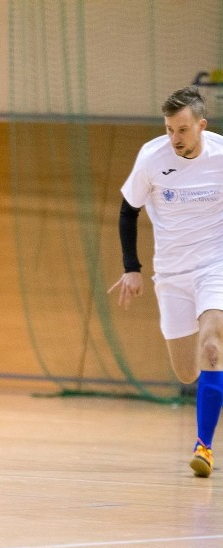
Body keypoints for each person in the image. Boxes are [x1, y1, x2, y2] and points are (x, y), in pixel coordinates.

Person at [109, 85, 223, 477]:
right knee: (187, 372)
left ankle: (203, 447)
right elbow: (128, 212)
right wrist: (131, 267)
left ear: (201, 126)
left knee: (212, 347)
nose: (175, 138)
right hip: (172, 274)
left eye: (183, 130)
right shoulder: (152, 158)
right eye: (170, 129)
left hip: (215, 266)